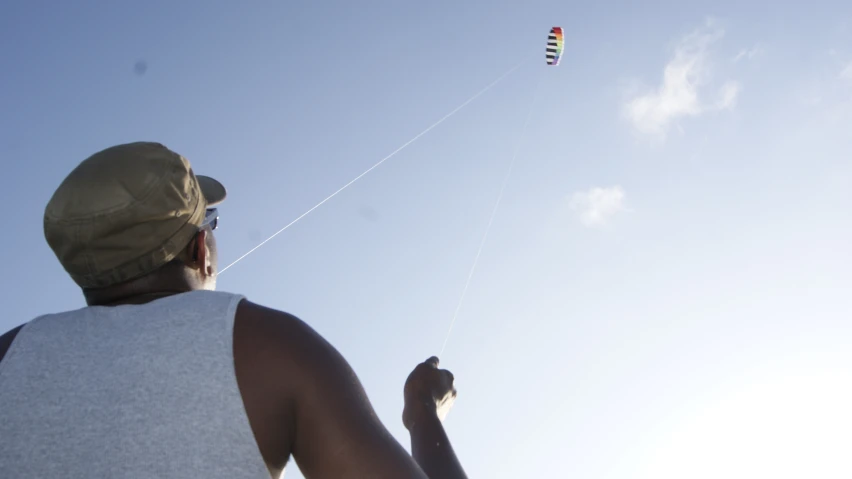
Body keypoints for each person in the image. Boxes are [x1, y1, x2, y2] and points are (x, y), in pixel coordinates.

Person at [0, 142, 468, 479]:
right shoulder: (268, 346)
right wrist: (422, 413)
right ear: (199, 248)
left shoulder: (8, 354)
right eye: (211, 222)